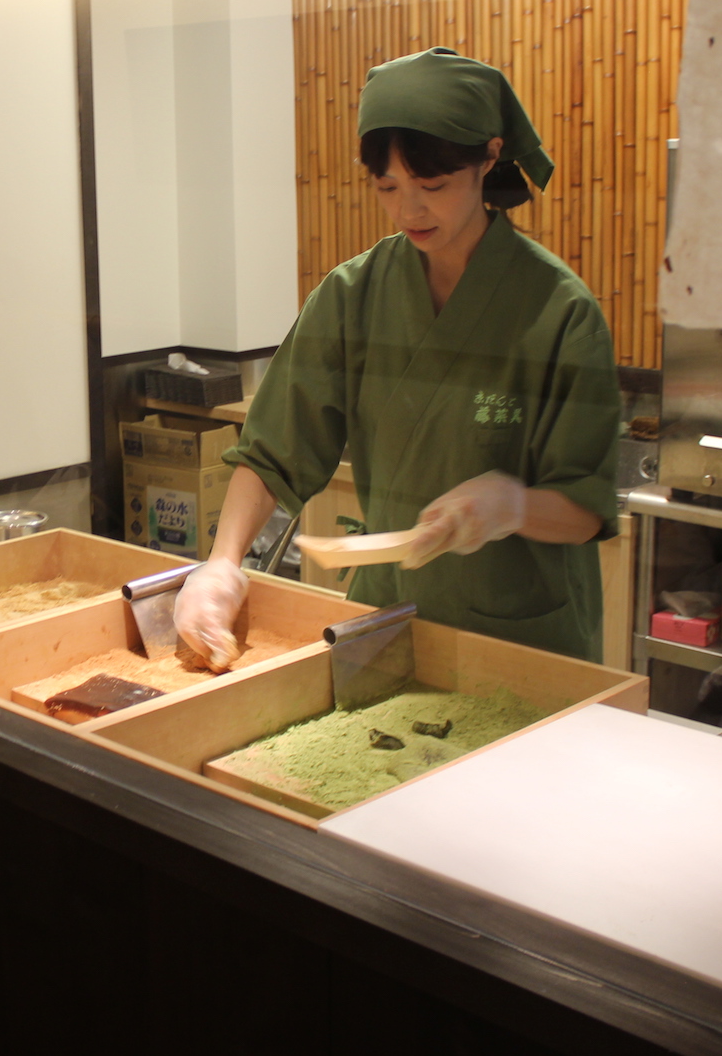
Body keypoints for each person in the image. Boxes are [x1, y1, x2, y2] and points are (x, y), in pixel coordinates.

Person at [174, 48, 620, 665]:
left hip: (522, 639)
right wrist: (222, 566)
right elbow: (274, 449)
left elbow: (587, 510)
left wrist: (513, 506)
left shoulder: (558, 312)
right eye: (388, 187)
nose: (409, 210)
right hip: (387, 619)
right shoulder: (354, 297)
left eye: (432, 186)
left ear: (489, 157)